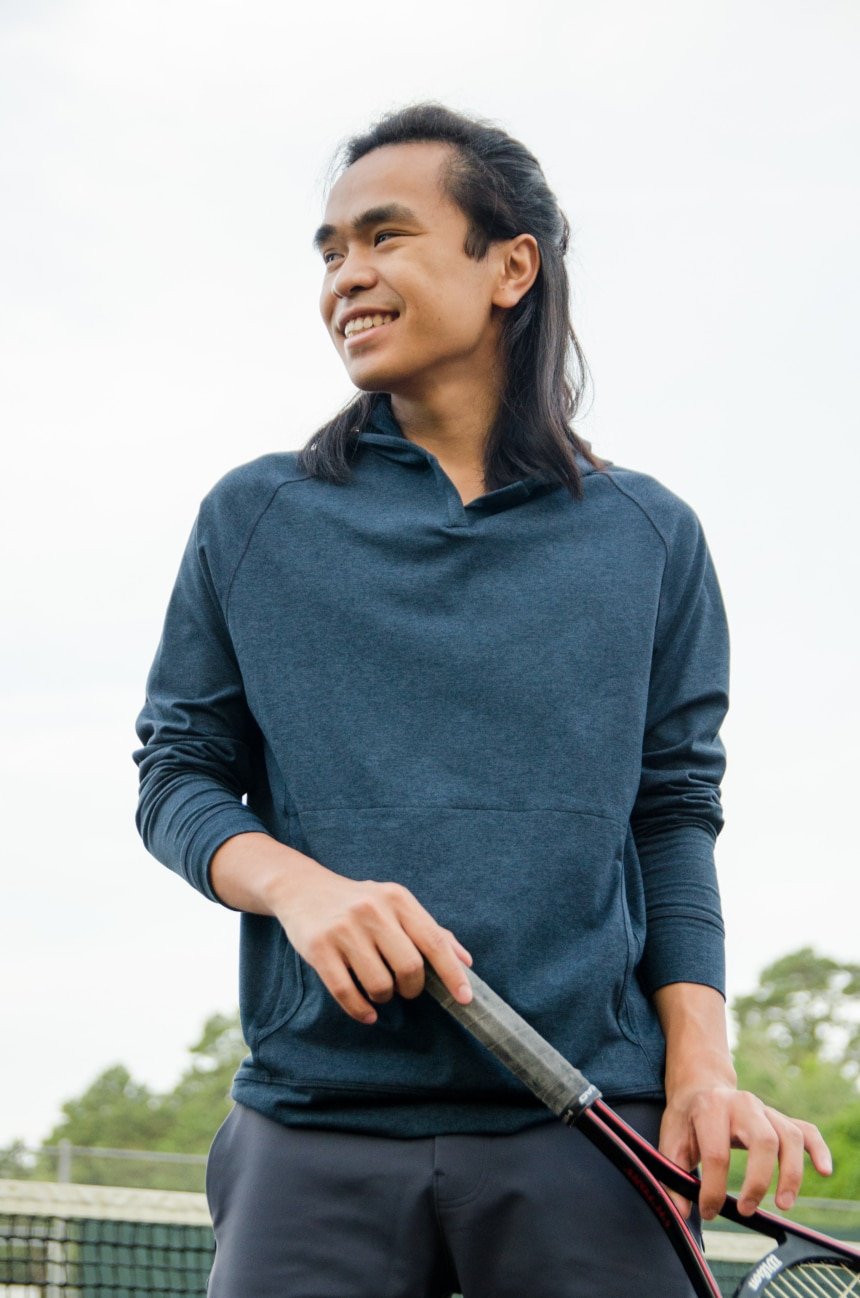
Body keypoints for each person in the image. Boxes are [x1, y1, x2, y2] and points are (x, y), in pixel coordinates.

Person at [133, 103, 831, 1297]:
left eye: (385, 236)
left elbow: (669, 816)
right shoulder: (250, 518)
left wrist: (700, 1066)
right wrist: (300, 887)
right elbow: (177, 775)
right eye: (329, 250)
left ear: (511, 265)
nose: (347, 276)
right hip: (314, 1126)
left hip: (587, 1127)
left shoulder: (649, 536)